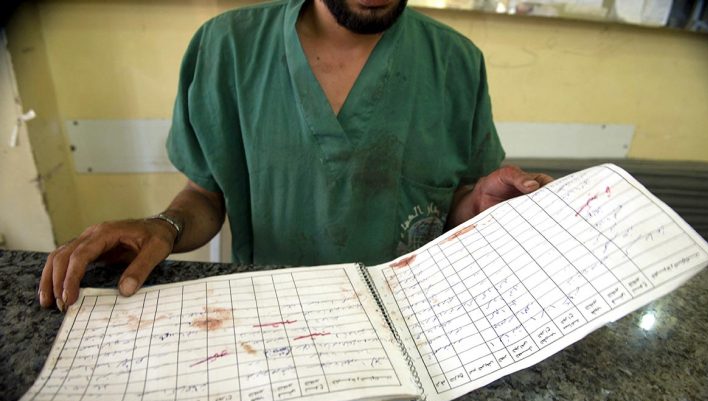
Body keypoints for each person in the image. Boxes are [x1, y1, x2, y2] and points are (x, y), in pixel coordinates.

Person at [39, 0, 552, 312]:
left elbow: (456, 200)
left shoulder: (456, 63)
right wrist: (165, 226)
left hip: (411, 322)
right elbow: (205, 193)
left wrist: (479, 204)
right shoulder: (229, 48)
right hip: (269, 319)